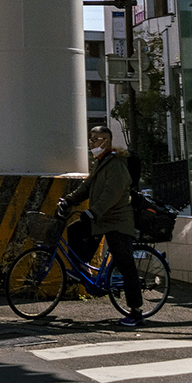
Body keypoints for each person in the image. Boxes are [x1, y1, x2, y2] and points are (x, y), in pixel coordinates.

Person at [58, 124, 145, 328]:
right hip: (102, 219)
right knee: (74, 230)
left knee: (125, 264)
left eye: (96, 139)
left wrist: (93, 212)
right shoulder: (101, 162)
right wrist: (69, 200)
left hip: (117, 221)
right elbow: (88, 186)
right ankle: (83, 271)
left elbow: (112, 194)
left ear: (106, 141)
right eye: (91, 138)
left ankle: (136, 312)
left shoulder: (116, 163)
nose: (91, 142)